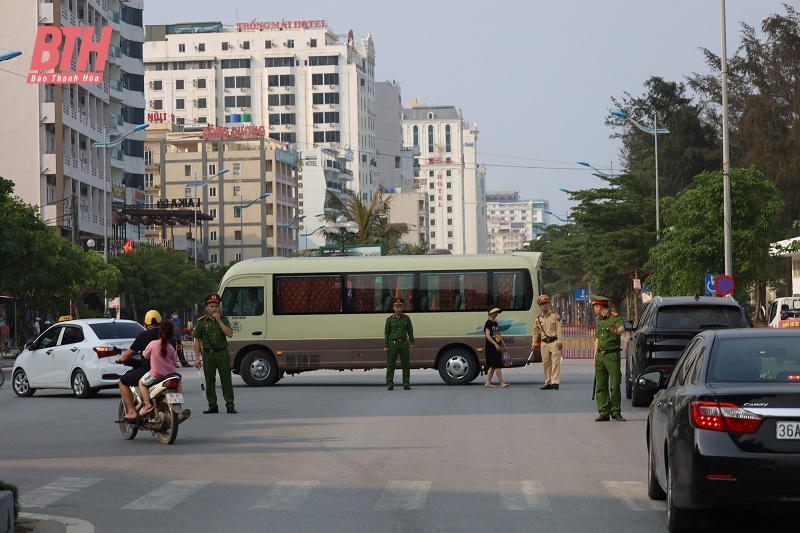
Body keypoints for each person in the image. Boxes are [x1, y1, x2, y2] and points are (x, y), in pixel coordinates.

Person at [116, 310, 166, 421]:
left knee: (123, 381)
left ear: (145, 322)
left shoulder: (143, 336)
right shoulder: (166, 335)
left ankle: (132, 412)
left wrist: (121, 359)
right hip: (168, 372)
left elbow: (130, 353)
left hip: (149, 371)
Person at [194, 293, 236, 413]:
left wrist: (219, 321)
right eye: (211, 306)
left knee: (226, 379)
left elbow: (230, 334)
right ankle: (212, 405)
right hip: (208, 354)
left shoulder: (224, 320)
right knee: (210, 380)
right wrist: (197, 359)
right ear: (207, 308)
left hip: (222, 353)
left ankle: (230, 404)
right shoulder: (201, 322)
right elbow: (197, 341)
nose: (214, 309)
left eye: (216, 306)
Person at [592, 294, 626, 421]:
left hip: (612, 355)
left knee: (615, 384)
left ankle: (616, 411)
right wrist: (595, 357)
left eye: (594, 307)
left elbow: (623, 328)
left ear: (599, 307)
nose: (594, 310)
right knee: (601, 385)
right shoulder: (600, 320)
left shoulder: (614, 317)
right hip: (600, 355)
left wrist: (617, 331)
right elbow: (597, 339)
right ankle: (604, 411)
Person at [138, 320, 177, 415]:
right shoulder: (171, 347)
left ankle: (147, 405)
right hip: (171, 375)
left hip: (155, 375)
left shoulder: (152, 344)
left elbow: (145, 355)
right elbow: (174, 362)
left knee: (141, 383)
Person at [532, 295, 563, 390]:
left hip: (554, 341)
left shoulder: (555, 315)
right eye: (542, 304)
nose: (544, 306)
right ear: (540, 306)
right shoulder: (538, 319)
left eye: (545, 303)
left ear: (548, 304)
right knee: (546, 363)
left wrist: (560, 341)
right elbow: (535, 332)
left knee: (555, 362)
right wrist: (533, 344)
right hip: (544, 343)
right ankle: (548, 382)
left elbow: (559, 328)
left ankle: (555, 382)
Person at [384, 297, 414, 390]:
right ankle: (390, 383)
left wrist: (412, 343)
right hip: (393, 344)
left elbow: (410, 331)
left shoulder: (406, 319)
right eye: (397, 307)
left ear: (402, 308)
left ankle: (406, 383)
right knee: (391, 365)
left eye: (400, 307)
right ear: (393, 308)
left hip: (404, 343)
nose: (398, 309)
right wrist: (386, 345)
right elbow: (386, 333)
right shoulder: (389, 320)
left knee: (405, 364)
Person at [484, 306, 509, 388]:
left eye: (497, 312)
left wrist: (504, 344)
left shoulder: (495, 323)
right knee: (497, 365)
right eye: (495, 312)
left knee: (492, 365)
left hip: (497, 346)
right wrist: (495, 344)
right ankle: (502, 383)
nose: (496, 314)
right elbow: (487, 335)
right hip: (491, 347)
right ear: (490, 313)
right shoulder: (488, 323)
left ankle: (487, 383)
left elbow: (498, 334)